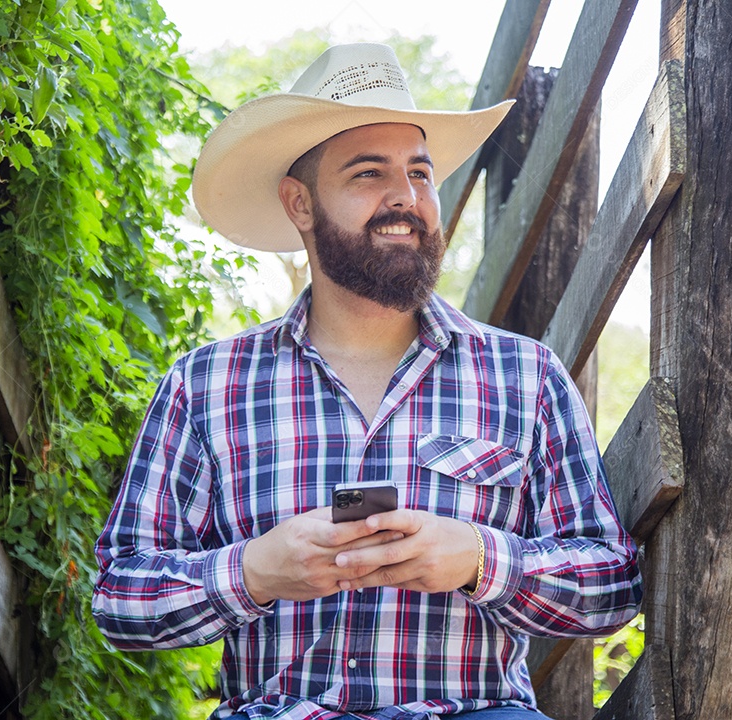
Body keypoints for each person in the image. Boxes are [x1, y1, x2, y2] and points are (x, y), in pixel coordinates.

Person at [93, 43, 642, 720]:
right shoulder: (206, 386)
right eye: (368, 173)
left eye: (419, 172)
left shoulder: (525, 377)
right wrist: (256, 572)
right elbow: (120, 600)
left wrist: (480, 558)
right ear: (299, 203)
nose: (406, 198)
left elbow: (611, 587)